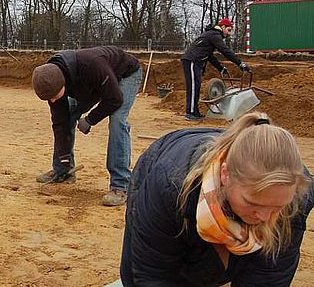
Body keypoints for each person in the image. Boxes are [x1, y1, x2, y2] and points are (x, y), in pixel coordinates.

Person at [120, 112, 313, 286]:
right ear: (225, 174)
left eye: (277, 207)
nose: (264, 216)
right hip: (164, 169)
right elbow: (154, 273)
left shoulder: (295, 196)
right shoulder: (169, 184)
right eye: (252, 203)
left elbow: (268, 276)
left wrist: (263, 207)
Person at [31, 45, 141, 206]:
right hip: (91, 84)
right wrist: (64, 158)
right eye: (49, 99)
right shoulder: (52, 79)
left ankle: (121, 185)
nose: (53, 100)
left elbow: (115, 99)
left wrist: (90, 120)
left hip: (125, 75)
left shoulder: (91, 65)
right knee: (67, 116)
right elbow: (60, 122)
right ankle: (64, 171)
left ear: (63, 83)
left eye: (55, 96)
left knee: (117, 120)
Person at [182, 18, 251, 121]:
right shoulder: (214, 35)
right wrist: (240, 63)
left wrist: (220, 68)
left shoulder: (212, 35)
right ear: (223, 27)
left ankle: (195, 112)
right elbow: (225, 51)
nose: (229, 33)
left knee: (196, 86)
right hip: (192, 61)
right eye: (229, 30)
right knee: (193, 87)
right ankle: (190, 113)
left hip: (195, 62)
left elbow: (210, 56)